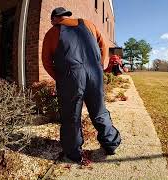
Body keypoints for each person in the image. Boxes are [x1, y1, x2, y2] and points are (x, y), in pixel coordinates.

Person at [42, 7, 121, 163]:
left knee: (71, 115)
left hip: (70, 78)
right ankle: (110, 144)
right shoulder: (88, 24)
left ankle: (74, 153)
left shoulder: (52, 33)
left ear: (54, 19)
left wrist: (60, 78)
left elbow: (46, 62)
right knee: (99, 111)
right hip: (94, 74)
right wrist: (99, 66)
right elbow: (103, 45)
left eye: (52, 21)